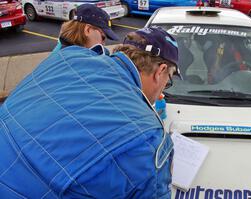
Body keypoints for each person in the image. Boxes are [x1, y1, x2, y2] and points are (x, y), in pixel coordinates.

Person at [0, 26, 181, 198]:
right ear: (160, 71)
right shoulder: (151, 143)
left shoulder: (68, 57)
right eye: (169, 80)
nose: (164, 87)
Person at [52, 3, 119, 55]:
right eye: (103, 37)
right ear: (88, 30)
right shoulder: (75, 62)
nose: (103, 44)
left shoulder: (63, 47)